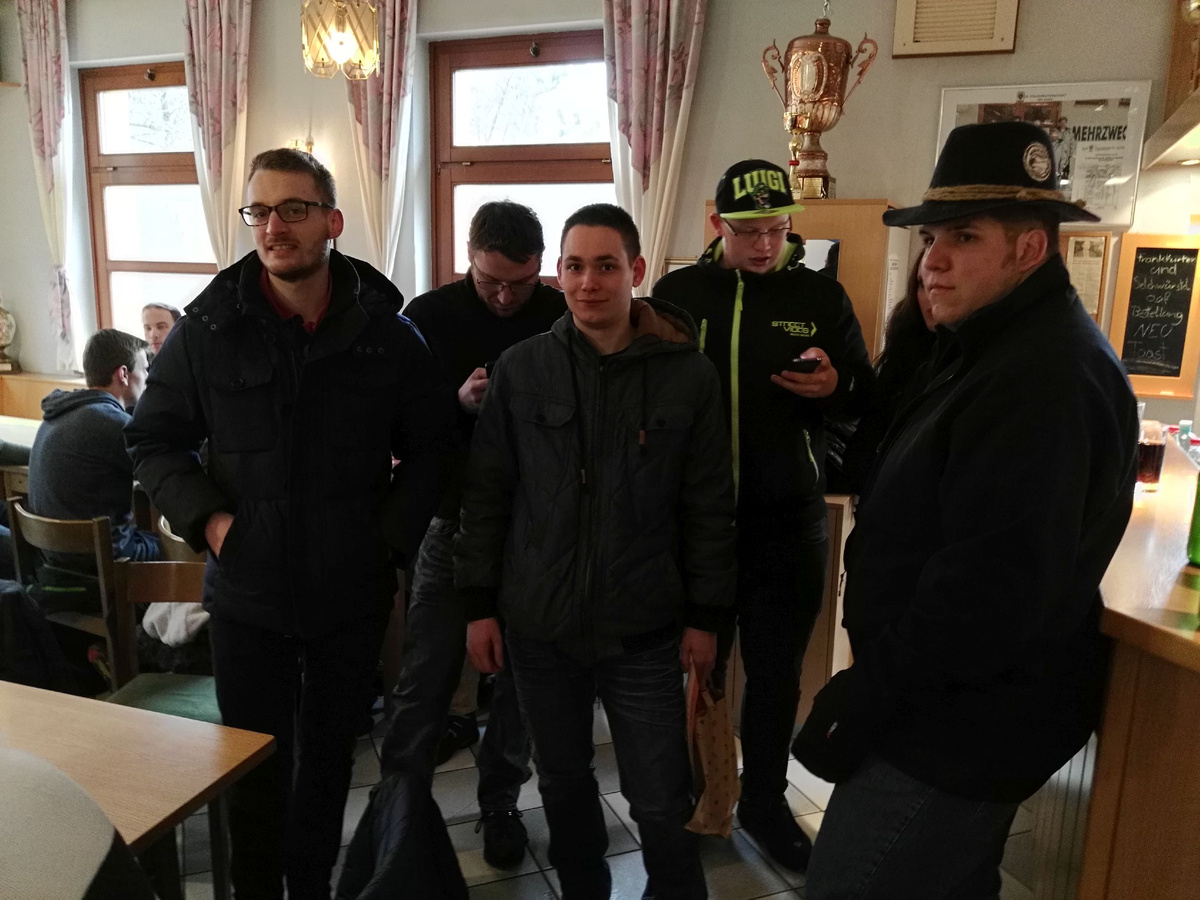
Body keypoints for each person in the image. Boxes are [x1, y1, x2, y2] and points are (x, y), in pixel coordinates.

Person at [792, 121, 1138, 899]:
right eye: (931, 237)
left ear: (1029, 248)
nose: (933, 260)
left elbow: (988, 594)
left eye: (964, 237)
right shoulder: (990, 348)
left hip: (952, 731)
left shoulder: (1042, 377)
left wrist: (864, 695)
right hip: (949, 709)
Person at [125, 148, 456, 900]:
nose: (275, 227)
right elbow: (151, 440)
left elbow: (435, 448)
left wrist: (386, 542)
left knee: (329, 763)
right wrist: (213, 523)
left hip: (350, 591)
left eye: (294, 210)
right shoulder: (208, 330)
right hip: (249, 591)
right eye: (261, 211)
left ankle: (310, 890)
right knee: (252, 767)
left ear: (331, 222)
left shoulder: (386, 332)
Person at [456, 203, 736, 899]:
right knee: (562, 781)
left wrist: (708, 618)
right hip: (540, 625)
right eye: (575, 266)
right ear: (558, 273)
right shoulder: (522, 368)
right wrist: (478, 604)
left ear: (635, 270)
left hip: (643, 626)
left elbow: (708, 508)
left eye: (606, 266)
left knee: (660, 795)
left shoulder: (688, 376)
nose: (589, 282)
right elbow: (487, 496)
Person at [653, 158, 873, 872]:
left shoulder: (820, 295)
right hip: (698, 524)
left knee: (777, 676)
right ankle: (698, 796)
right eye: (748, 231)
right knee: (699, 669)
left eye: (776, 230)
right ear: (717, 225)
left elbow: (864, 394)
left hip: (788, 521)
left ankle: (766, 802)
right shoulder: (679, 295)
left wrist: (834, 385)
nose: (763, 244)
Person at [379, 200, 564, 868]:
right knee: (425, 674)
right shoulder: (427, 317)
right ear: (468, 260)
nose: (506, 297)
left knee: (518, 683)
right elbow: (392, 426)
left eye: (521, 283)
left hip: (536, 529)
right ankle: (398, 813)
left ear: (542, 267)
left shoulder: (561, 314)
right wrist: (454, 404)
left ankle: (500, 804)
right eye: (491, 283)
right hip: (452, 519)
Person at [29, 329, 160, 567]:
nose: (147, 378)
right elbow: (163, 471)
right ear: (123, 374)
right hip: (100, 561)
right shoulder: (112, 423)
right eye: (144, 369)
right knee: (181, 546)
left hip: (51, 558)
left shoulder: (59, 411)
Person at [838, 253, 937, 496]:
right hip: (881, 490)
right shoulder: (908, 337)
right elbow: (873, 423)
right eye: (922, 285)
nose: (931, 296)